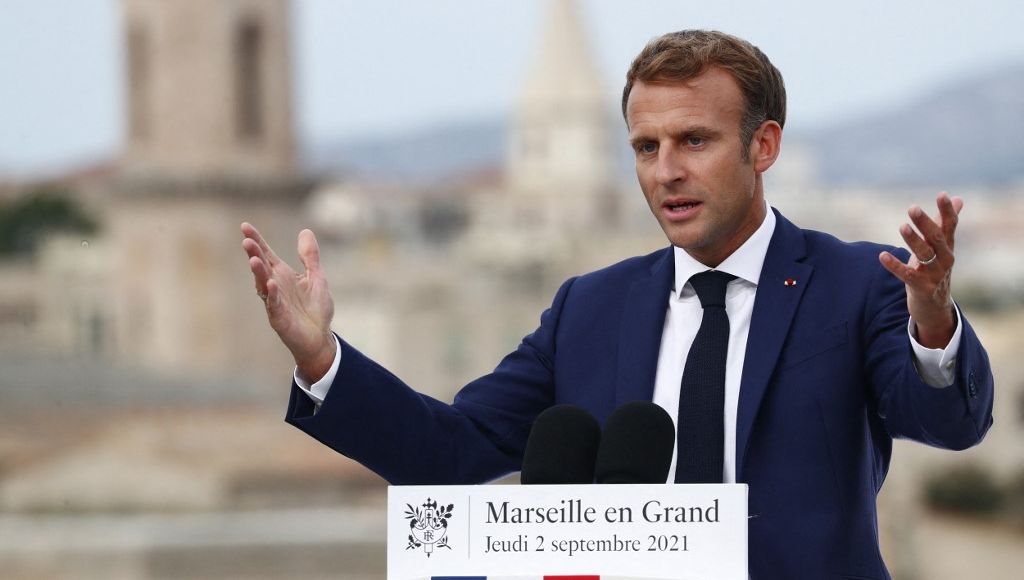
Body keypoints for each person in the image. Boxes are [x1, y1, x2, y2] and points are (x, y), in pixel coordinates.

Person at [241, 30, 993, 579]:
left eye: (693, 140)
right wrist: (320, 359)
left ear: (762, 146)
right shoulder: (588, 309)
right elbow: (451, 452)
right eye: (645, 147)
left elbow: (950, 422)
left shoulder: (855, 283)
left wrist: (932, 322)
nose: (666, 172)